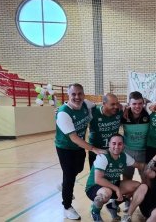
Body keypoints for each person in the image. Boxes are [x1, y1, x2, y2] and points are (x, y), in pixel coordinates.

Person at [55, 83, 106, 220]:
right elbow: (74, 138)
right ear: (68, 95)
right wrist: (93, 148)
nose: (77, 97)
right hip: (65, 148)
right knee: (70, 176)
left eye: (80, 94)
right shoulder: (63, 113)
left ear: (83, 94)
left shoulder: (86, 104)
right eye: (73, 94)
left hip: (79, 147)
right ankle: (67, 206)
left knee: (78, 168)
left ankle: (63, 184)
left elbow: (98, 105)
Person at [85, 134, 147, 222]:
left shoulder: (124, 156)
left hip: (113, 185)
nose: (116, 146)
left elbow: (140, 165)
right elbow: (98, 179)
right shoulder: (103, 156)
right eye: (114, 143)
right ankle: (95, 213)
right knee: (107, 192)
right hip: (95, 187)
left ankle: (113, 205)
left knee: (138, 186)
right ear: (109, 144)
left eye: (120, 144)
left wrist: (155, 168)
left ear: (123, 145)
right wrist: (116, 189)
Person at [88, 93, 123, 168]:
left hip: (113, 151)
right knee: (95, 177)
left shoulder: (119, 112)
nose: (116, 106)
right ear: (104, 104)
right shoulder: (93, 112)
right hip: (96, 152)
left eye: (117, 103)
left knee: (113, 177)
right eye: (112, 104)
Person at [121, 91, 151, 181]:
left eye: (140, 103)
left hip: (144, 152)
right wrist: (124, 107)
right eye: (134, 104)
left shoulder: (148, 112)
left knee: (146, 180)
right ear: (129, 104)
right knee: (127, 180)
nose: (137, 106)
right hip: (127, 152)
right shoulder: (124, 114)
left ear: (143, 103)